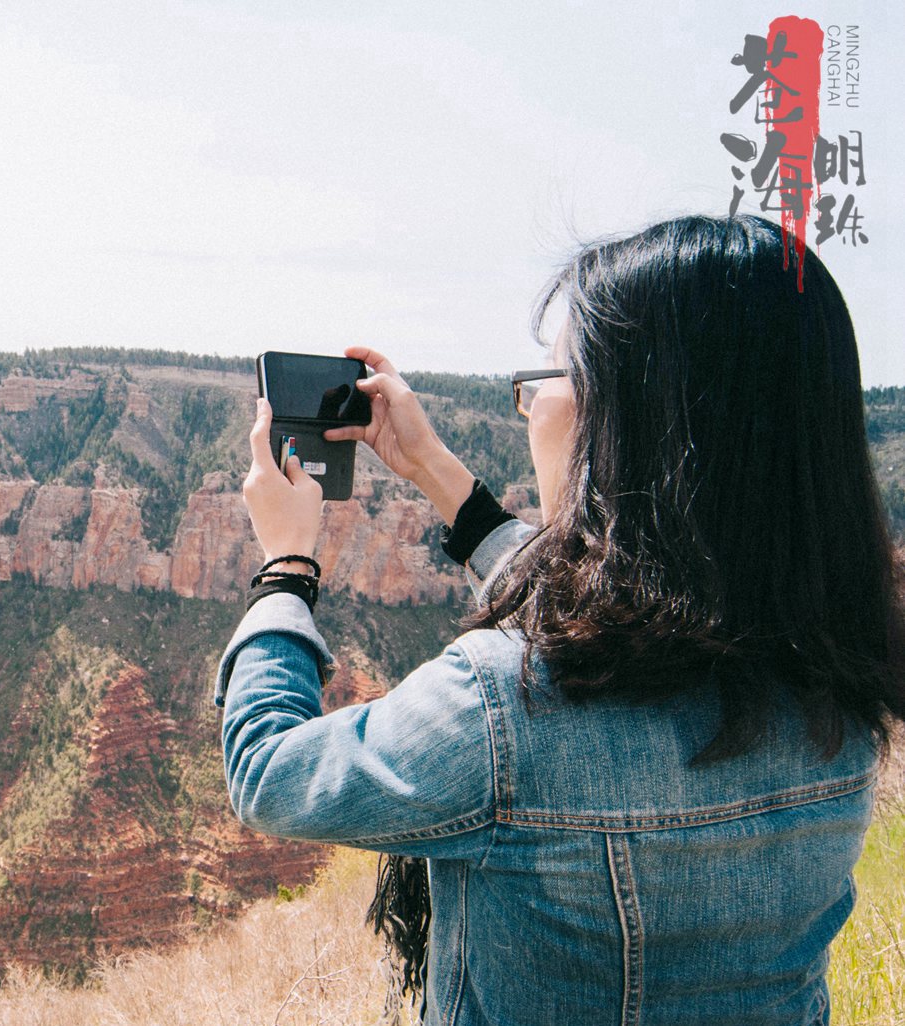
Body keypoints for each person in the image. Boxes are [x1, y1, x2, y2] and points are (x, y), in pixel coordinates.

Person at [215, 212, 905, 1025]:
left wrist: (285, 571)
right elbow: (631, 610)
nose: (528, 405)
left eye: (548, 377)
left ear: (635, 420)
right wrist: (438, 476)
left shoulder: (507, 704)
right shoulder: (837, 672)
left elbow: (269, 773)